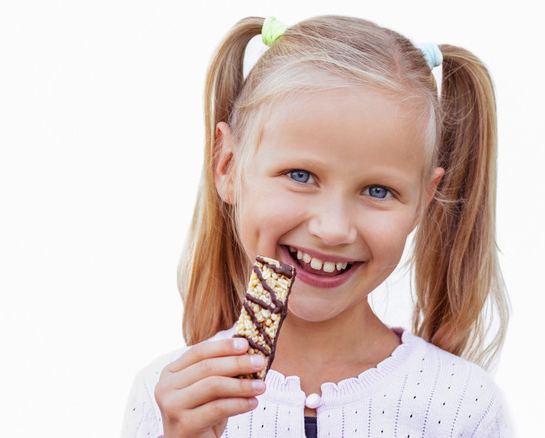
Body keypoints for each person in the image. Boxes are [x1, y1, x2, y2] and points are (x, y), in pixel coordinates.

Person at [122, 15, 511, 437]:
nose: (333, 229)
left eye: (378, 191)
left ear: (424, 200)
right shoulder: (168, 398)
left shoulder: (463, 405)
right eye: (301, 175)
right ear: (228, 166)